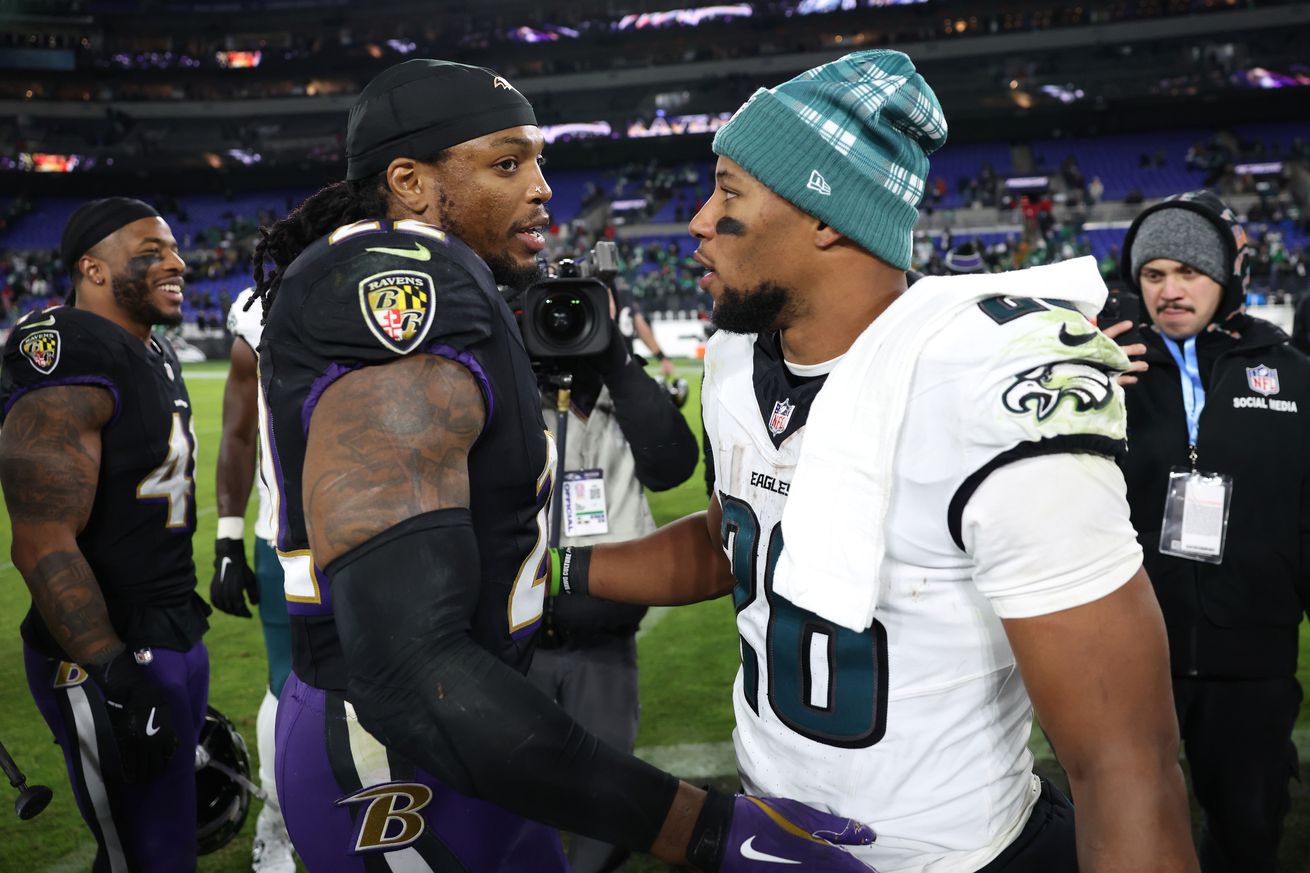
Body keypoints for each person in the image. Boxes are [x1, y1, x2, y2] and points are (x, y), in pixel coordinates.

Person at [548, 50, 1201, 872]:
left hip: (956, 857)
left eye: (730, 192)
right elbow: (740, 535)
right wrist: (557, 572)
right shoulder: (730, 361)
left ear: (826, 216)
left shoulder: (988, 387)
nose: (698, 220)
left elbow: (1126, 765)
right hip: (772, 840)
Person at [250, 58, 874, 873]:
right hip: (401, 755)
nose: (542, 186)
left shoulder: (453, 279)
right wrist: (704, 828)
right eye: (507, 163)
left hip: (464, 735)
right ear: (409, 180)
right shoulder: (399, 288)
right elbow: (406, 665)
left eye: (538, 160)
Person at [0, 197, 210, 872]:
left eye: (174, 249)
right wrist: (114, 669)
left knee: (173, 841)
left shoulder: (155, 349)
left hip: (173, 628)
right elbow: (40, 536)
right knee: (142, 856)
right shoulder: (66, 349)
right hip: (103, 654)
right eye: (150, 252)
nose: (176, 262)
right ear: (92, 268)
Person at [1111, 190, 1308, 873]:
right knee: (1133, 835)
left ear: (1226, 276)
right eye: (1154, 273)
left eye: (1189, 272)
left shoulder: (1290, 373)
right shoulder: (1103, 369)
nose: (1170, 289)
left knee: (1248, 832)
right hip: (1131, 652)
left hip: (1252, 655)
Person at [527, 286, 700, 873]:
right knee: (511, 806)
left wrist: (617, 362)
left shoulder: (618, 388)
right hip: (512, 642)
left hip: (604, 639)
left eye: (577, 313)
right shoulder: (504, 383)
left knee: (603, 806)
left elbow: (673, 466)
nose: (562, 324)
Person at [210, 284, 296, 873]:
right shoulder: (263, 307)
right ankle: (279, 821)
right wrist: (227, 534)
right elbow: (240, 432)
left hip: (386, 530)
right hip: (287, 537)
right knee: (287, 687)